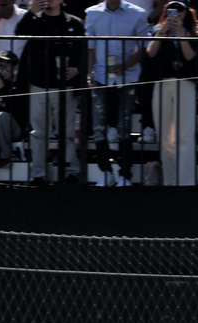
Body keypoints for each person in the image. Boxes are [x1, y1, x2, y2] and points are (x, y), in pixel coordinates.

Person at [15, 0, 84, 186]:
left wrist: (77, 69)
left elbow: (83, 51)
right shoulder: (34, 20)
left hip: (65, 86)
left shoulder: (74, 23)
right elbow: (19, 33)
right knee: (38, 133)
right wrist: (31, 12)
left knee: (68, 132)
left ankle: (72, 173)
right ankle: (38, 174)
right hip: (38, 84)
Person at [85, 0, 150, 188]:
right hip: (100, 76)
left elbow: (145, 46)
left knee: (124, 126)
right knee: (98, 127)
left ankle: (125, 175)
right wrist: (89, 71)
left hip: (128, 76)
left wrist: (127, 65)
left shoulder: (137, 13)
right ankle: (105, 172)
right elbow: (90, 46)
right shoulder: (91, 12)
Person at [145, 1, 198, 186]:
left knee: (184, 135)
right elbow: (150, 53)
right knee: (166, 137)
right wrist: (163, 32)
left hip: (185, 83)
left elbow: (190, 56)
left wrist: (180, 33)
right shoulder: (158, 30)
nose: (176, 14)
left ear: (186, 12)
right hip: (162, 83)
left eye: (180, 10)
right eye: (172, 10)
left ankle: (185, 182)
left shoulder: (196, 32)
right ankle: (170, 181)